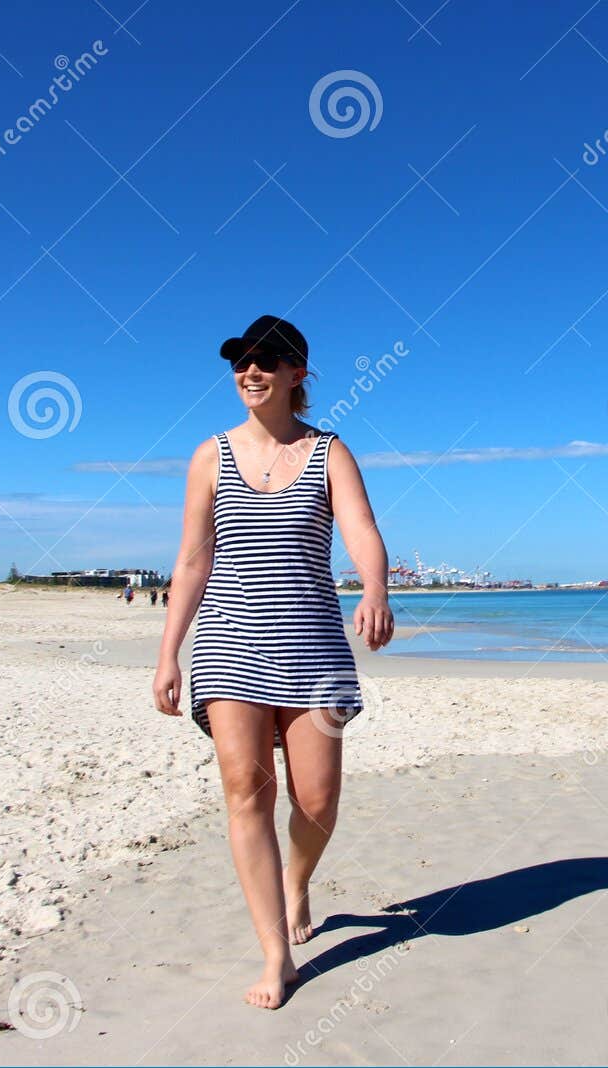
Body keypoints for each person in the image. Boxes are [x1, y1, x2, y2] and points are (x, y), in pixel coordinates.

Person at [152, 314, 394, 1010]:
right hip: (230, 648)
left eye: (266, 361)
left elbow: (363, 531)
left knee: (316, 800)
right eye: (240, 362)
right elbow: (194, 559)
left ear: (298, 374)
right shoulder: (210, 456)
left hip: (314, 652)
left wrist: (374, 589)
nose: (249, 372)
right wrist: (168, 651)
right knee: (245, 794)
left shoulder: (330, 454)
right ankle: (275, 953)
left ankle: (297, 879)